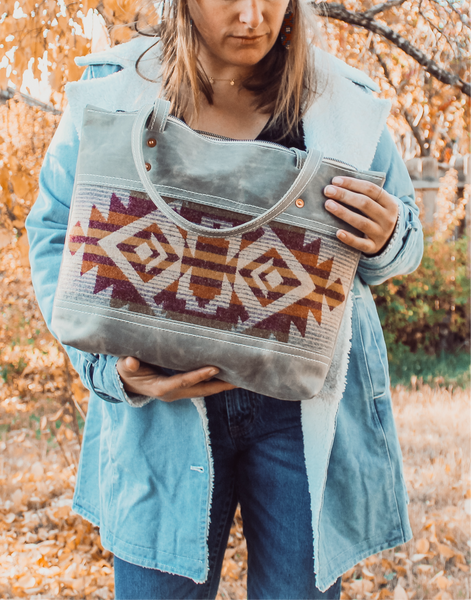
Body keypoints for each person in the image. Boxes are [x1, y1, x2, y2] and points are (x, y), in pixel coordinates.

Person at [26, 0, 423, 597]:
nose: (251, 15)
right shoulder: (115, 91)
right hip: (161, 418)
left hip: (301, 412)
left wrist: (389, 236)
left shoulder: (340, 101)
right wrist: (113, 372)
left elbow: (405, 241)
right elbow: (56, 231)